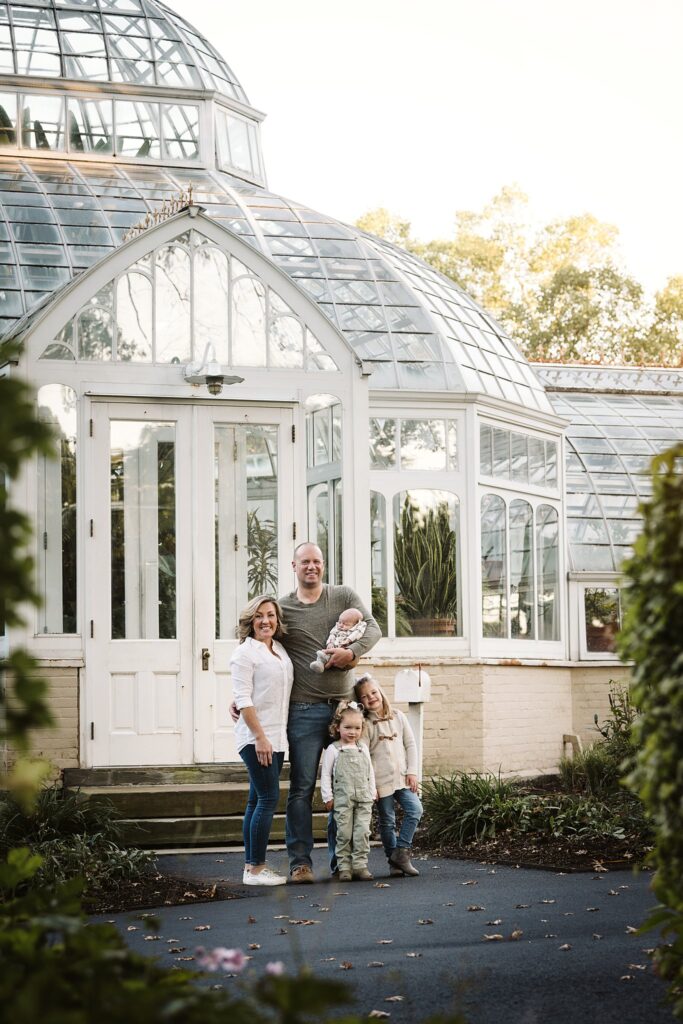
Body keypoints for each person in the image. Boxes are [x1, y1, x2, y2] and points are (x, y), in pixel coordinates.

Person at [280, 542, 381, 883]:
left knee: (347, 786)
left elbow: (373, 628)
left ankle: (344, 863)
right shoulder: (283, 609)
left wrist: (351, 655)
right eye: (305, 561)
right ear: (293, 566)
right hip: (304, 710)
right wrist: (241, 695)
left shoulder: (343, 596)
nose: (312, 567)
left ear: (323, 565)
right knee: (303, 786)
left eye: (317, 562)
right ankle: (300, 863)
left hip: (344, 710)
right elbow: (261, 646)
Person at [230, 595, 293, 886]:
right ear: (249, 622)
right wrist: (260, 738)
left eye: (270, 615)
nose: (265, 620)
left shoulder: (278, 648)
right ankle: (255, 869)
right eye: (259, 616)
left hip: (276, 736)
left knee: (256, 799)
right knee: (267, 798)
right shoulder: (245, 653)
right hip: (258, 738)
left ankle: (250, 867)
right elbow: (243, 698)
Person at [354, 673, 423, 877]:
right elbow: (364, 757)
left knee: (415, 809)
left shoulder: (398, 716)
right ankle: (393, 863)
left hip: (402, 777)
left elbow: (410, 745)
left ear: (381, 692)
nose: (371, 697)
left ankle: (401, 852)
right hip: (380, 781)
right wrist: (371, 784)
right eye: (365, 696)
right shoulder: (365, 724)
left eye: (374, 692)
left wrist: (412, 772)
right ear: (361, 702)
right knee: (387, 821)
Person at [320, 701, 377, 882]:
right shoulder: (334, 749)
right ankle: (344, 867)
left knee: (362, 832)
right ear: (337, 727)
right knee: (343, 833)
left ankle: (360, 865)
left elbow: (370, 771)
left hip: (363, 798)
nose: (352, 732)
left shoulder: (363, 748)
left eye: (357, 728)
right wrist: (328, 796)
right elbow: (326, 775)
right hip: (343, 799)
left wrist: (372, 791)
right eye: (348, 727)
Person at [310, 607, 367, 673]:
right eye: (340, 622)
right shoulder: (337, 627)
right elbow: (332, 634)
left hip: (344, 649)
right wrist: (330, 643)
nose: (341, 625)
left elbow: (358, 633)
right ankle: (319, 663)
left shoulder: (355, 630)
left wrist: (348, 640)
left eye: (345, 624)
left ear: (355, 625)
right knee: (324, 654)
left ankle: (324, 661)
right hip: (334, 646)